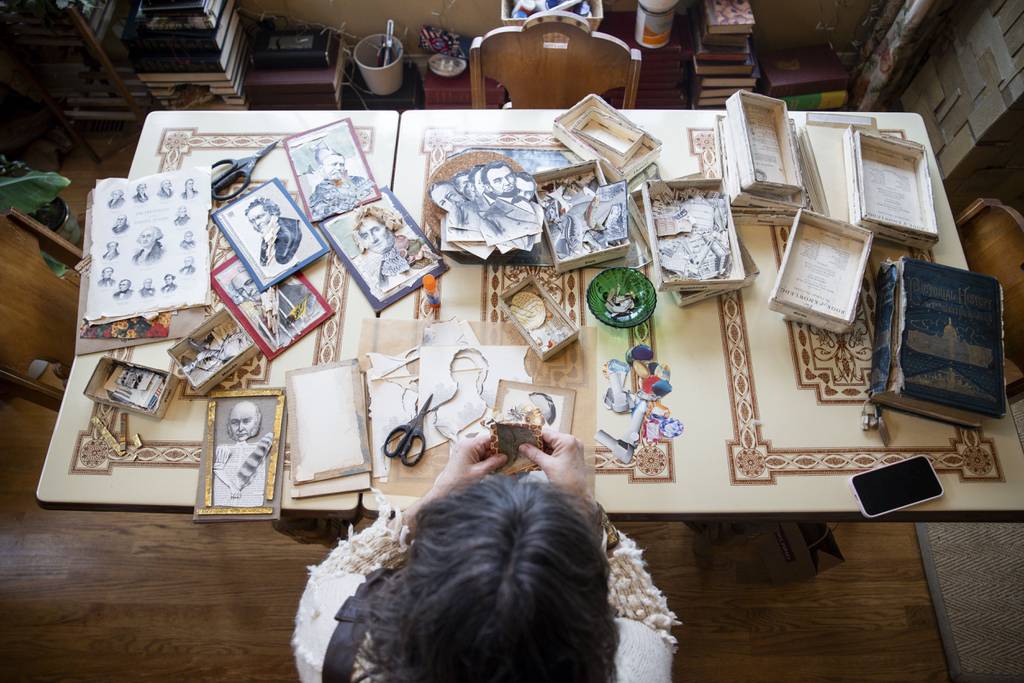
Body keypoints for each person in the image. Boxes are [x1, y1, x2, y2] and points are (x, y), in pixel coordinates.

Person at [292, 427, 678, 683]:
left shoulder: (329, 639)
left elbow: (337, 571)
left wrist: (433, 500)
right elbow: (642, 612)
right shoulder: (637, 667)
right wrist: (582, 507)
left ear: (422, 579)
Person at [351, 204, 437, 297]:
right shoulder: (384, 268)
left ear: (387, 226)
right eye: (365, 236)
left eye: (375, 230)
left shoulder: (414, 246)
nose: (373, 239)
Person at [307, 147, 375, 220]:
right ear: (321, 169)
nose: (339, 168)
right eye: (334, 164)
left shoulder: (358, 180)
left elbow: (371, 195)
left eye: (341, 164)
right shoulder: (317, 193)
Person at [244, 196, 302, 267]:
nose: (257, 223)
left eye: (260, 217)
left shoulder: (286, 232)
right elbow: (263, 262)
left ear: (272, 212)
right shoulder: (268, 232)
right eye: (252, 221)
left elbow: (281, 260)